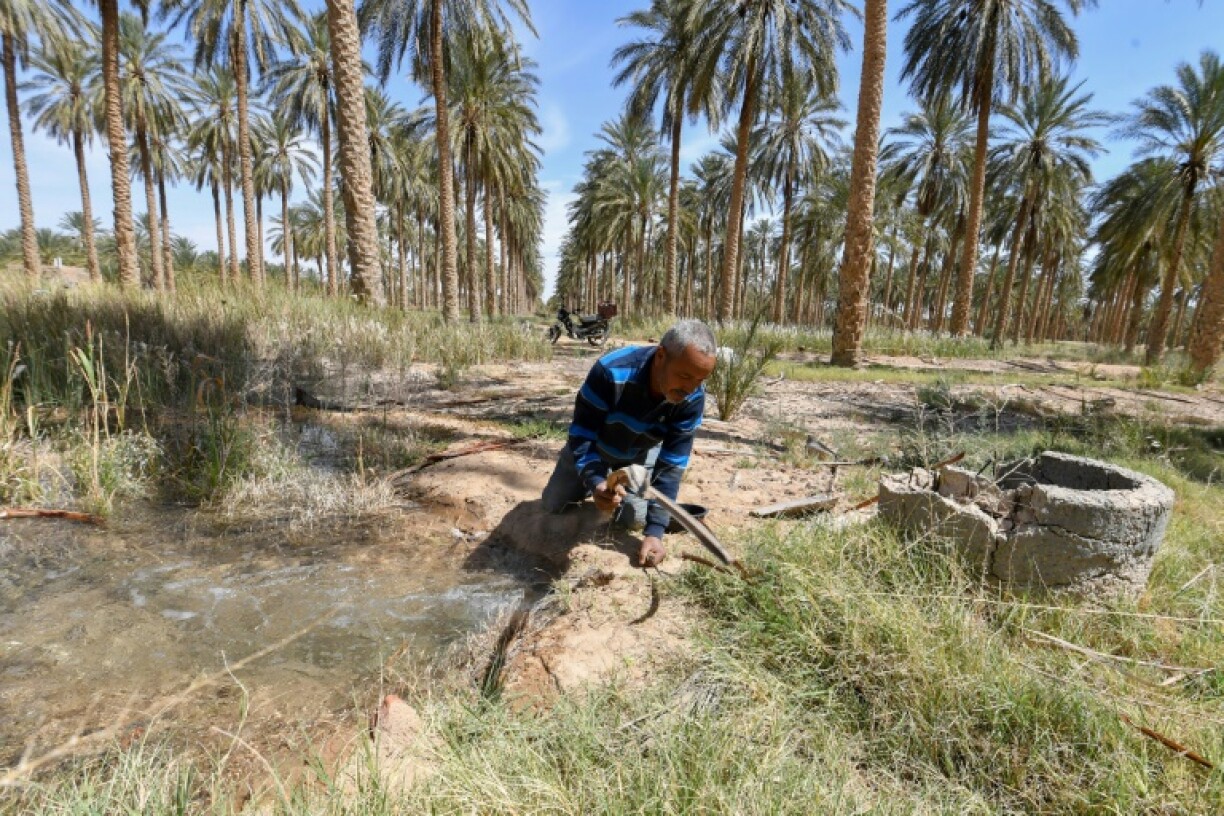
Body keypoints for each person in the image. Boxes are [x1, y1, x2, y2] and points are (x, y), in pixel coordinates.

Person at [542, 319, 717, 567]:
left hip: (637, 454)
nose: (690, 388)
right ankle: (584, 477)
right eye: (685, 375)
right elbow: (582, 435)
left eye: (700, 379)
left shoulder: (693, 398)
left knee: (634, 519)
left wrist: (655, 533)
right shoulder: (611, 371)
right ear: (660, 356)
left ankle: (647, 506)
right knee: (554, 504)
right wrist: (596, 481)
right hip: (594, 446)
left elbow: (670, 467)